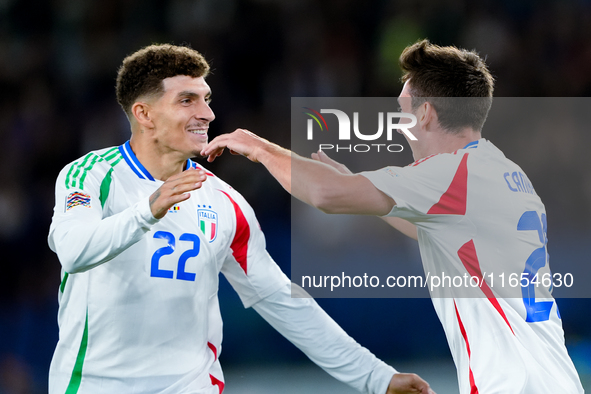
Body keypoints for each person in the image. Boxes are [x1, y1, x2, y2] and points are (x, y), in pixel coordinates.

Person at [47, 44, 435, 394]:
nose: (207, 113)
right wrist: (148, 210)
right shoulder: (91, 176)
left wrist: (376, 377)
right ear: (144, 113)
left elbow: (280, 299)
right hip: (92, 385)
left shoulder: (224, 201)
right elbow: (73, 251)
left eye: (207, 99)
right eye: (187, 101)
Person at [202, 39, 585, 393]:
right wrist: (360, 187)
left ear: (427, 114)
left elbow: (324, 194)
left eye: (402, 113)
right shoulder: (506, 173)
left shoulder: (451, 173)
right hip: (554, 378)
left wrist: (258, 147)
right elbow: (438, 232)